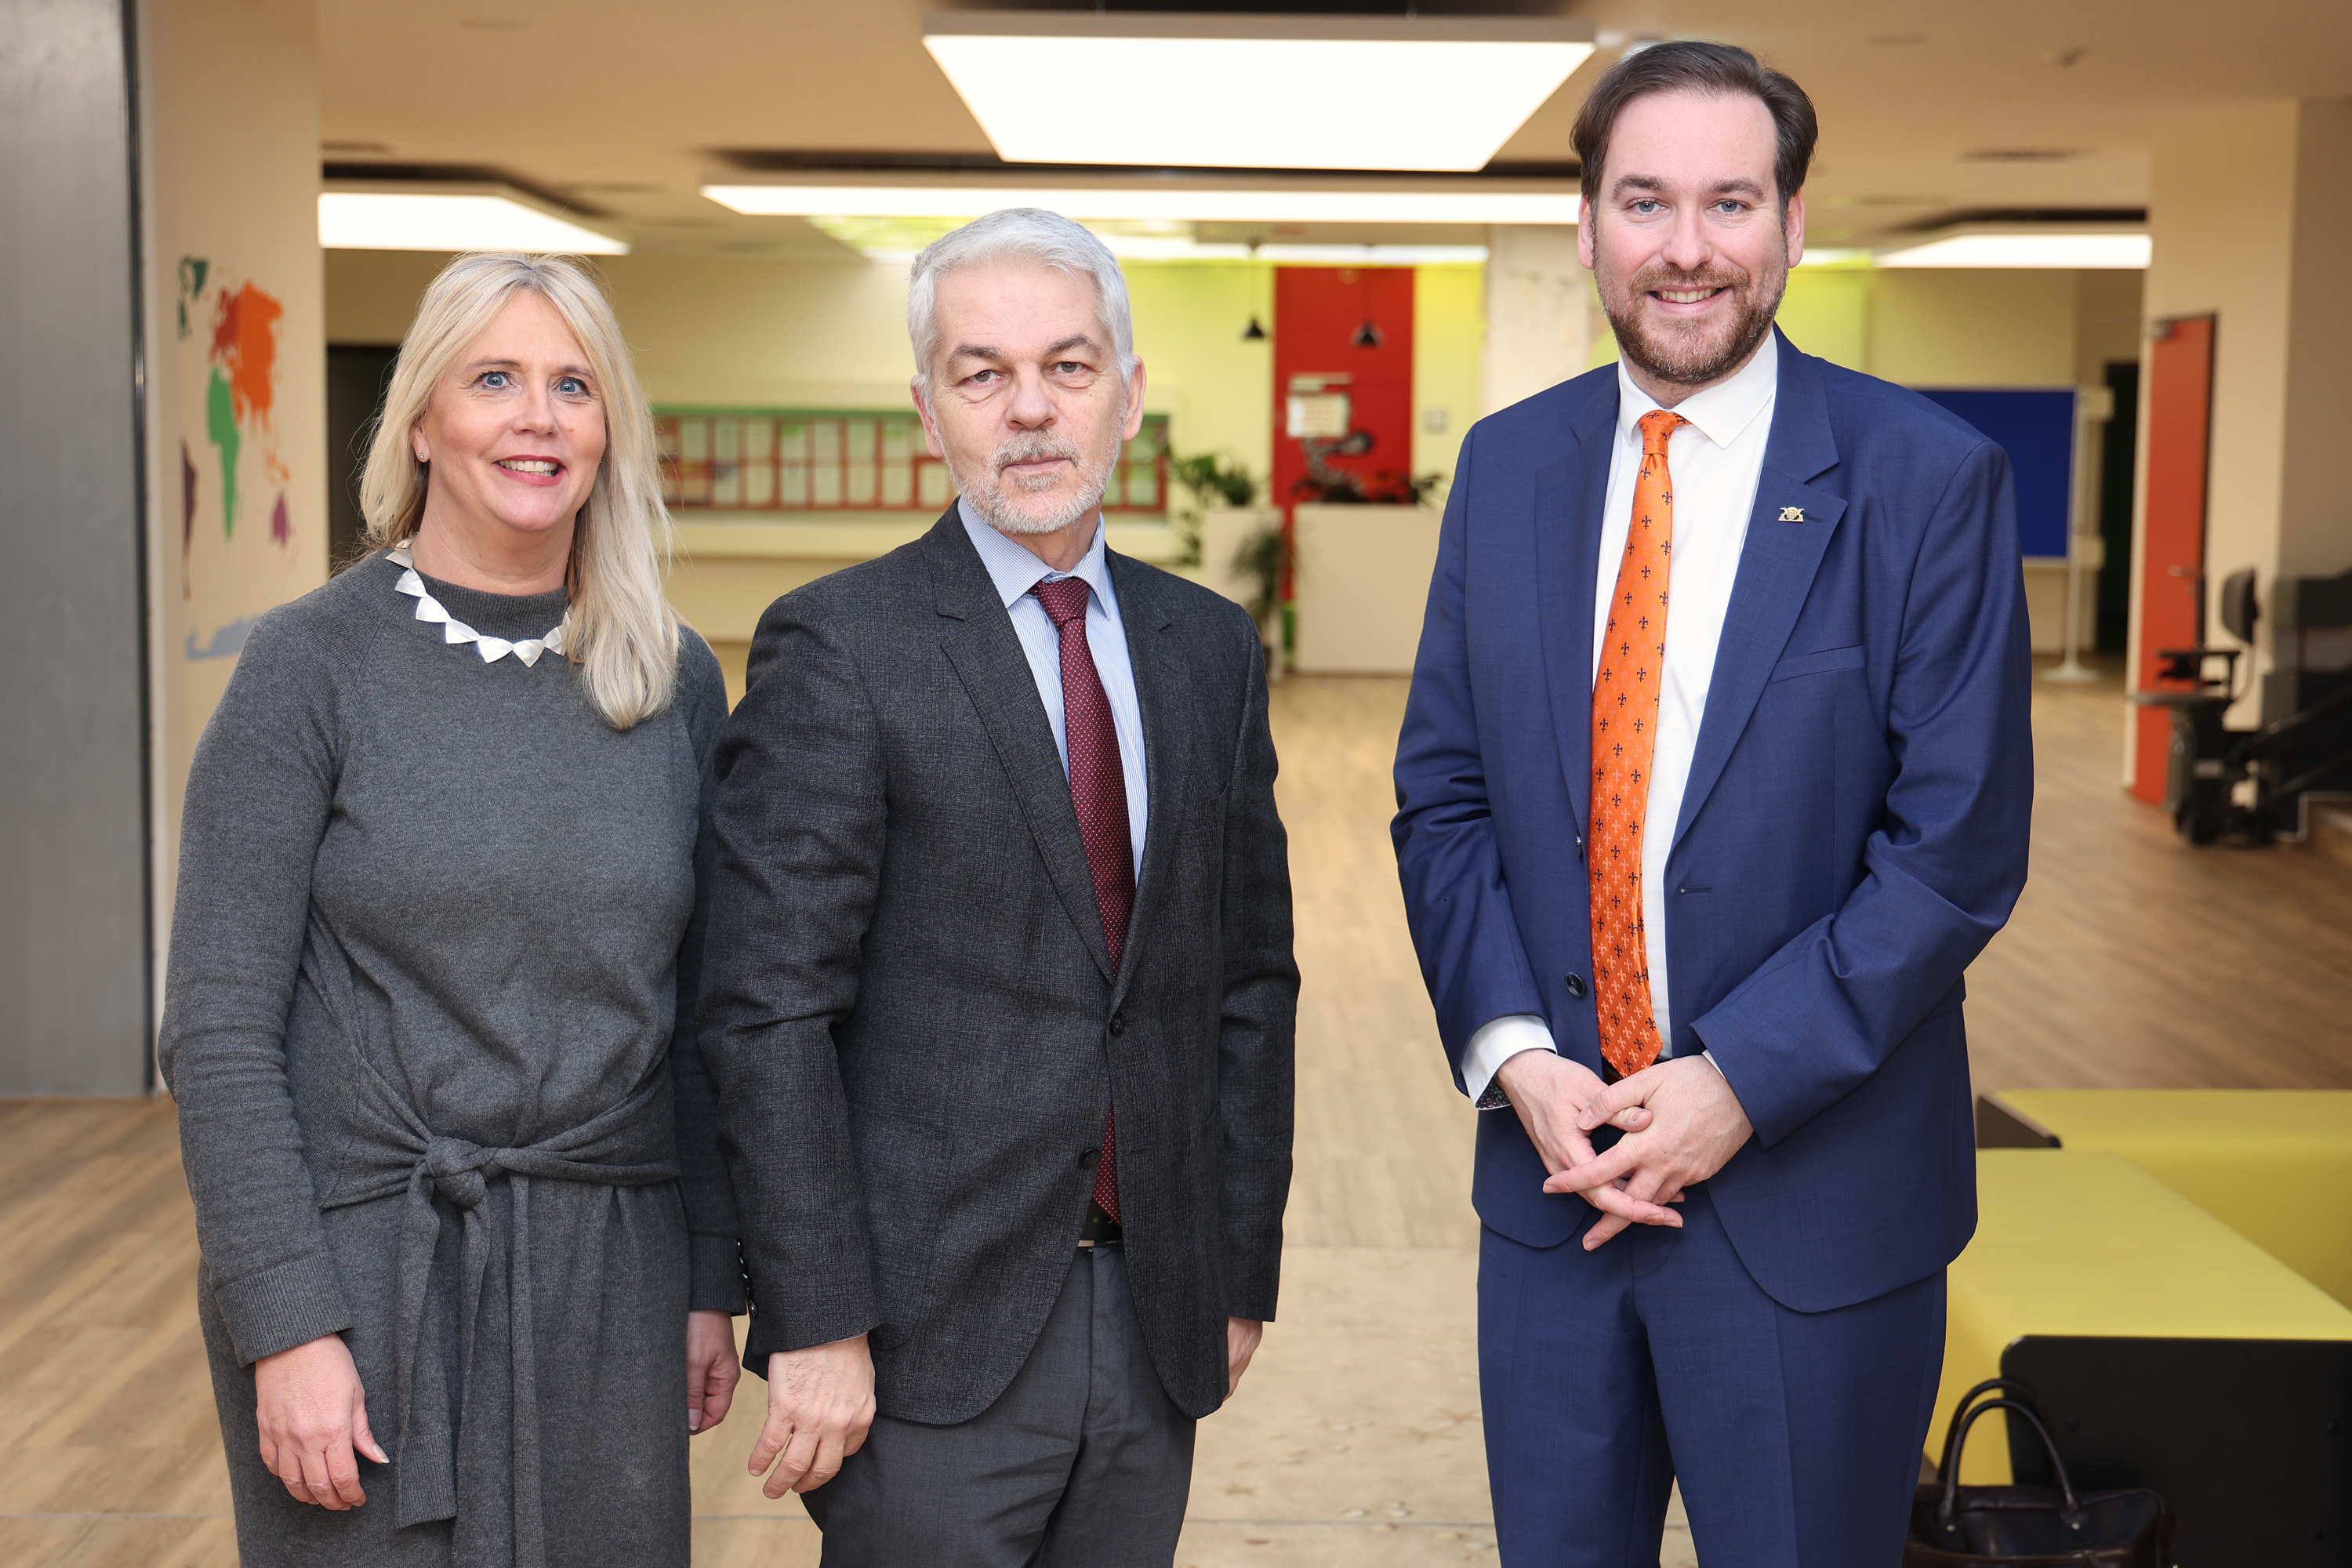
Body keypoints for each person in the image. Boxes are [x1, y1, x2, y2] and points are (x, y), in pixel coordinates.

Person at [1391, 42, 2033, 1567]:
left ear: (1795, 224)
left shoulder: (1927, 480)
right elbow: (1444, 795)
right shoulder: (1504, 468)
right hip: (1555, 1189)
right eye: (1646, 201)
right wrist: (1514, 1058)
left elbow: (1951, 854)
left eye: (1730, 201)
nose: (1686, 247)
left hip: (1813, 1214)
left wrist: (1735, 1079)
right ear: (1588, 227)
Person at [699, 207, 1297, 1566]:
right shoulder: (841, 647)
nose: (1029, 410)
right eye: (982, 374)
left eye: (1069, 367)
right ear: (929, 413)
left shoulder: (1207, 650)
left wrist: (1234, 1266)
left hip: (1155, 1322)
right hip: (922, 1341)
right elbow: (764, 1012)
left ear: (1129, 397)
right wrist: (816, 1316)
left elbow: (1248, 980)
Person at [159, 252, 746, 1568]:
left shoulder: (674, 679)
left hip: (613, 1272)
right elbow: (216, 1027)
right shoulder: (307, 665)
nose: (538, 417)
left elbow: (708, 1020)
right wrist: (286, 1322)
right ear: (422, 420)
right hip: (368, 1279)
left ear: (608, 431)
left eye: (573, 386)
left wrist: (714, 1278)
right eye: (495, 379)